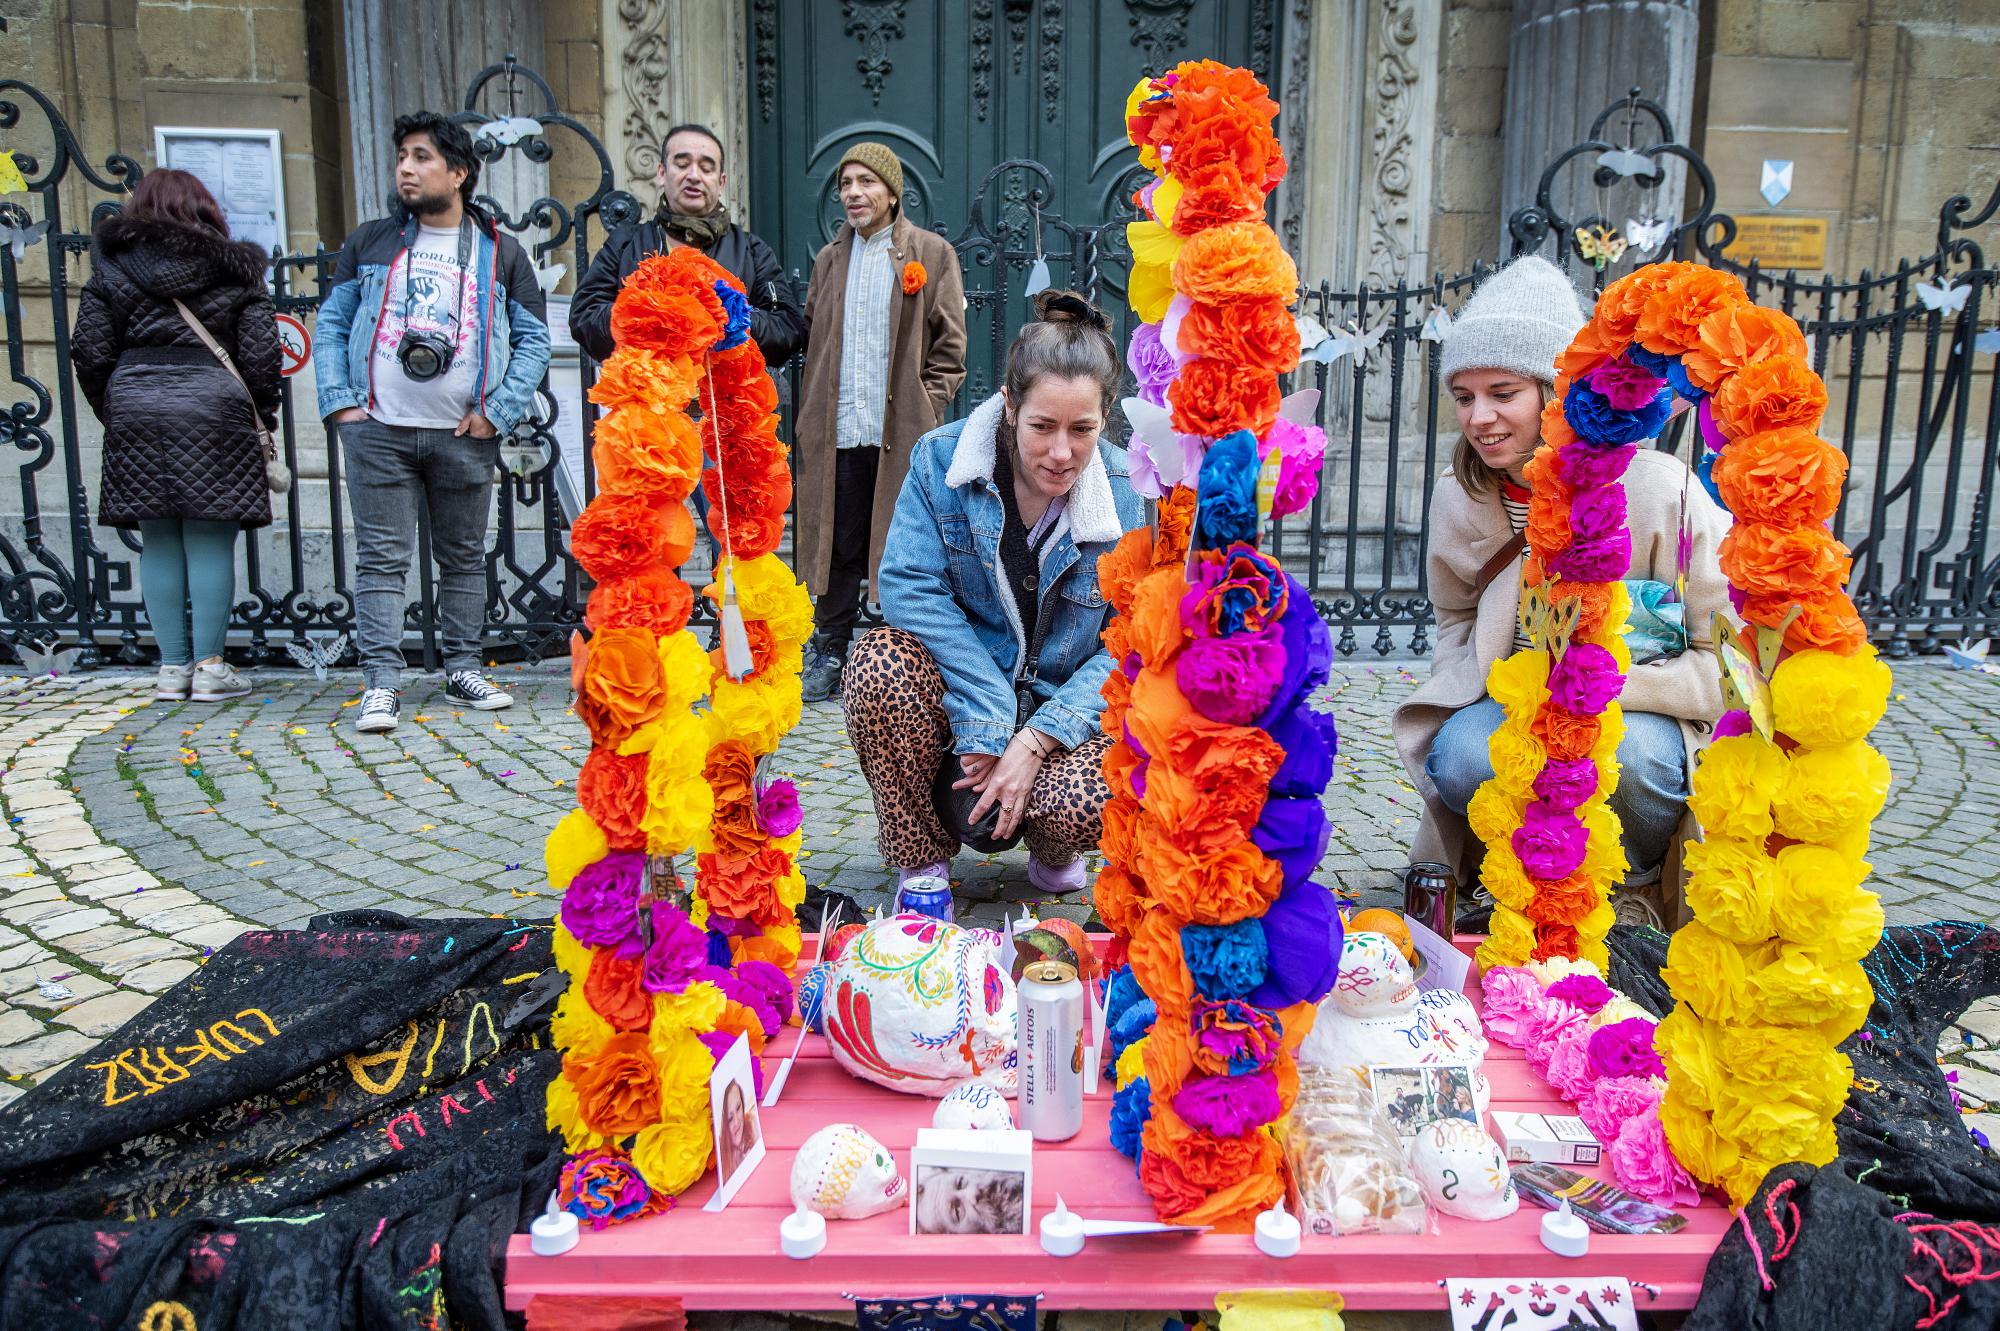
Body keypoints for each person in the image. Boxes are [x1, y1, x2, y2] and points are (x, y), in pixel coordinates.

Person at [1391, 256, 1732, 928]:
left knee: (1628, 755)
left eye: (1502, 392)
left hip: (1643, 717)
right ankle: (1518, 869)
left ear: (1555, 392)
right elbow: (1455, 613)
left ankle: (1628, 888)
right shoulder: (1460, 498)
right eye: (1464, 397)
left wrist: (1593, 686)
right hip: (1517, 707)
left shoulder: (1660, 490)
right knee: (1460, 752)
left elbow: (1730, 654)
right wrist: (1475, 680)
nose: (1479, 416)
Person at [843, 291, 1142, 913]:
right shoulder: (939, 460)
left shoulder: (1127, 490)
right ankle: (921, 858)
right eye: (1042, 426)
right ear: (1009, 408)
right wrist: (987, 711)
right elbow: (905, 585)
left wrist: (1036, 740)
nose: (1061, 453)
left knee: (1099, 790)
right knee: (875, 664)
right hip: (958, 716)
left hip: (1059, 730)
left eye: (1082, 430)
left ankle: (1056, 846)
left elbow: (1130, 640)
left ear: (1105, 416)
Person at [313, 111, 551, 735]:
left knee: (464, 557)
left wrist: (496, 413)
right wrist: (342, 404)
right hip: (379, 428)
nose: (406, 169)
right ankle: (381, 685)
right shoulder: (371, 242)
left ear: (459, 172)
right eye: (402, 158)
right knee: (382, 560)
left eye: (421, 157)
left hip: (462, 432)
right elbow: (333, 326)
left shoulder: (501, 251)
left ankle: (463, 668)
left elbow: (533, 341)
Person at [72, 169, 279, 703]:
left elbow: (90, 353)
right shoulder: (236, 270)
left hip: (136, 406)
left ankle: (171, 670)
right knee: (210, 537)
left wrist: (114, 407)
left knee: (158, 538)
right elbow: (260, 357)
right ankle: (211, 669)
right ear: (204, 208)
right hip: (214, 408)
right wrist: (261, 413)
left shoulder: (111, 270)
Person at [795, 143, 967, 702]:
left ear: (891, 192)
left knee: (903, 544)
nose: (853, 193)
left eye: (866, 182)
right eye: (846, 183)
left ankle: (899, 654)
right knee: (839, 542)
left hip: (902, 432)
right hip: (841, 430)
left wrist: (927, 405)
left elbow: (950, 350)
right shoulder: (828, 261)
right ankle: (831, 645)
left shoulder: (931, 254)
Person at [569, 123, 804, 369]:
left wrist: (732, 318)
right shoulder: (625, 243)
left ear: (721, 181)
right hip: (647, 401)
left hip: (724, 402)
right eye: (682, 164)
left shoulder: (751, 251)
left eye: (707, 168)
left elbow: (787, 329)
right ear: (661, 172)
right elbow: (584, 318)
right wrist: (646, 312)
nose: (694, 176)